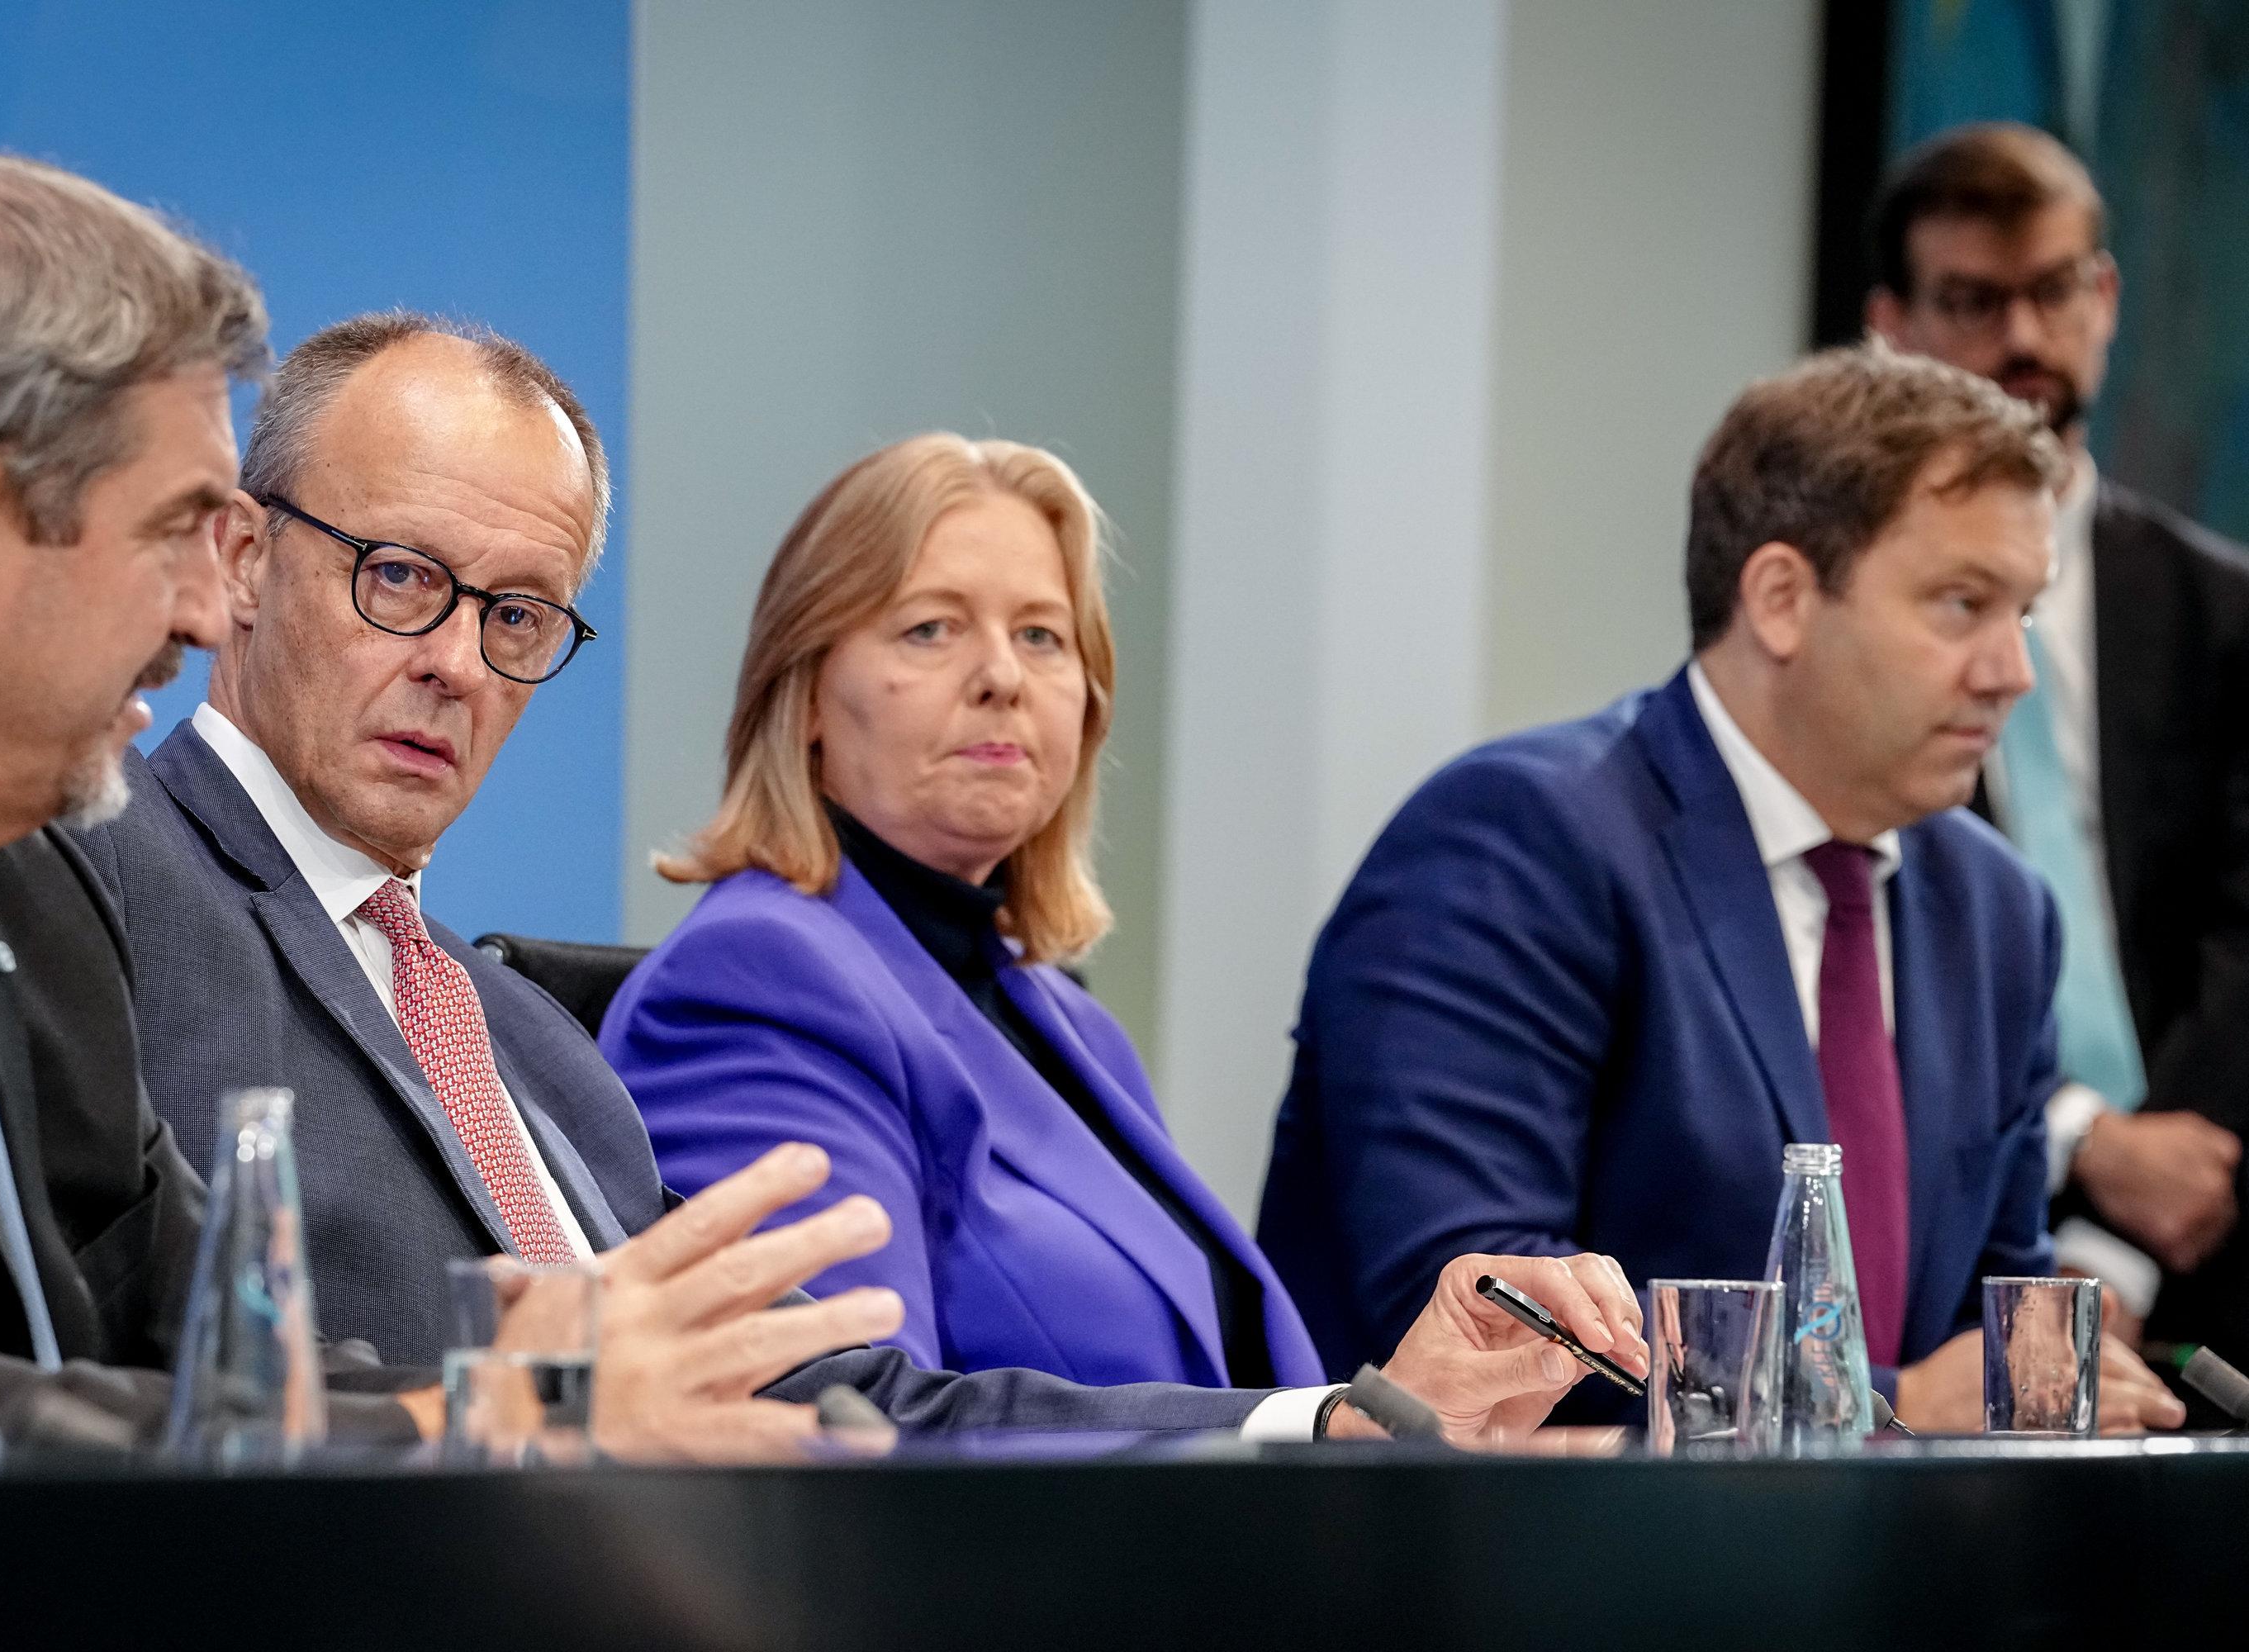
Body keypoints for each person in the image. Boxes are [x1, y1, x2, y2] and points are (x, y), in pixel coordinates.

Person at [83, 311, 1649, 1455]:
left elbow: (825, 1407)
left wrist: (1331, 1426)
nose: (453, 664)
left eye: (520, 618)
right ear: (238, 565)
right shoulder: (102, 888)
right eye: (403, 578)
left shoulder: (532, 1042)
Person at [1255, 344, 2187, 1433]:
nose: (2011, 672)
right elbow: (1485, 1314)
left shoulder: (1998, 912)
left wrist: (2043, 1384)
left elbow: (1993, 1319)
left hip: (1894, 1575)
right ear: (1783, 599)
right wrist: (1886, 1407)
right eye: (1962, 604)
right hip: (1516, 1570)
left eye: (2022, 611)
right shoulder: (1520, 840)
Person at [0, 153, 418, 1446]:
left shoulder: (35, 884)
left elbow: (212, 1335)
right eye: (177, 527)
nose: (203, 609)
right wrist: (445, 1437)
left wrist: (524, 1405)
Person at [600, 434, 1322, 1390]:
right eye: (931, 629)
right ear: (806, 692)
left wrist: (1405, 1415)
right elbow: (851, 1417)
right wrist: (1296, 1430)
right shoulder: (753, 981)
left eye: (1041, 636)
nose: (1003, 677)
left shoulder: (1067, 1018)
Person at [1866, 122, 2249, 1361]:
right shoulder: (1846, 622)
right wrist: (2085, 1140)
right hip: (1953, 1231)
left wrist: (2133, 1226)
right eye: (1974, 301)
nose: (2022, 340)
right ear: (1894, 323)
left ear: (2106, 299)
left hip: (2220, 1218)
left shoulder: (2224, 611)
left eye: (2052, 291)